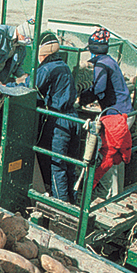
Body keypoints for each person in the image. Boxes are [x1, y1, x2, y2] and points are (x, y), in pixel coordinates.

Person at [77, 27, 134, 193]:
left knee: (107, 155)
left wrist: (82, 98)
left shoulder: (101, 65)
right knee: (116, 154)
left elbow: (99, 89)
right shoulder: (109, 61)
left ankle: (102, 194)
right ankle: (114, 193)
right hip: (124, 112)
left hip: (116, 117)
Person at [34, 31, 79, 204]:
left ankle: (60, 207)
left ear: (43, 54)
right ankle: (71, 202)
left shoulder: (46, 68)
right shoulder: (64, 66)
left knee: (57, 166)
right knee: (70, 165)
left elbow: (32, 86)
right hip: (73, 118)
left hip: (59, 121)